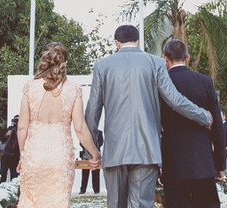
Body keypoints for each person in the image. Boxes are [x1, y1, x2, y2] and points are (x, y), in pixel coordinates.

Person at [84, 24, 210, 208]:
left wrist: (91, 150)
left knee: (115, 204)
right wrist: (203, 116)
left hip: (115, 151)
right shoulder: (156, 63)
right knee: (142, 205)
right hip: (147, 149)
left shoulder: (102, 66)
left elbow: (92, 110)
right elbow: (174, 100)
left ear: (116, 44)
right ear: (138, 42)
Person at [16, 42, 102, 208]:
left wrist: (23, 155)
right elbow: (80, 128)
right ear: (64, 62)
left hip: (34, 155)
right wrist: (94, 154)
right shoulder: (73, 89)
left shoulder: (30, 87)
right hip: (60, 158)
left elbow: (22, 127)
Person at [159, 39, 224, 208]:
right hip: (202, 161)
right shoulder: (205, 82)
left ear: (165, 58)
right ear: (187, 58)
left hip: (172, 163)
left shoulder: (160, 85)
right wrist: (219, 164)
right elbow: (217, 125)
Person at [0, 115, 20, 182]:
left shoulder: (21, 130)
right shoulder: (10, 128)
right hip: (7, 153)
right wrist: (7, 135)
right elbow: (3, 140)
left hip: (15, 155)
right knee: (3, 174)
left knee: (14, 175)